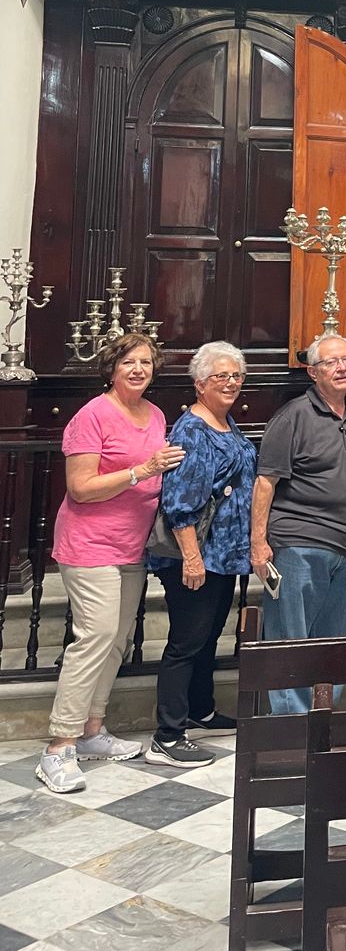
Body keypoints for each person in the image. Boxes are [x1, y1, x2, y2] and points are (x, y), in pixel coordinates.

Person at [38, 332, 184, 794]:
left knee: (116, 640)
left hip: (132, 546)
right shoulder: (92, 415)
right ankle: (58, 746)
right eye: (128, 362)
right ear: (111, 368)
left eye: (146, 363)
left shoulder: (155, 414)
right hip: (89, 544)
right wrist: (143, 471)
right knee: (95, 637)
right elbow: (80, 488)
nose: (138, 370)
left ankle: (92, 731)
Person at [148, 341, 256, 766]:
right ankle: (168, 735)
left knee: (208, 636)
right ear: (199, 384)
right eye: (220, 376)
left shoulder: (225, 421)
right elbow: (180, 502)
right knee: (186, 642)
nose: (231, 383)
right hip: (195, 556)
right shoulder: (192, 430)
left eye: (236, 375)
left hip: (224, 555)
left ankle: (200, 710)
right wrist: (192, 558)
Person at [250, 333, 346, 713]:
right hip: (299, 541)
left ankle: (320, 718)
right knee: (291, 638)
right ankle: (290, 724)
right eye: (331, 362)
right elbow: (265, 482)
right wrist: (258, 543)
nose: (342, 368)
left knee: (337, 642)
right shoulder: (293, 416)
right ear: (313, 372)